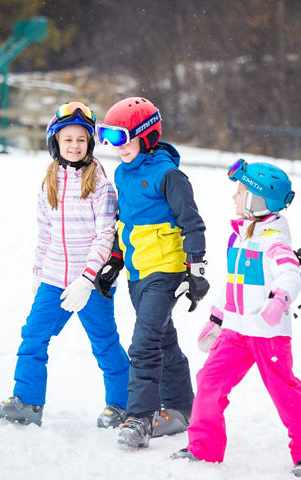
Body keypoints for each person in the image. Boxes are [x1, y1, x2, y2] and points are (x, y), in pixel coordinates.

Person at [171, 160, 301, 478]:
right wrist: (216, 318)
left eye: (240, 192)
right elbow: (233, 284)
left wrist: (279, 301)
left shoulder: (274, 242)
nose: (234, 198)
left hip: (268, 333)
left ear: (258, 200)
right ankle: (204, 448)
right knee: (210, 382)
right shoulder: (241, 237)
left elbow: (290, 274)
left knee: (284, 390)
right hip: (236, 331)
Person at [0, 101, 130, 428]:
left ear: (90, 144)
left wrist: (86, 279)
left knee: (104, 343)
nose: (74, 145)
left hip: (92, 283)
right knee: (33, 337)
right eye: (68, 139)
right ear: (56, 142)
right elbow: (45, 233)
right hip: (53, 278)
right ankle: (27, 401)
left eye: (81, 140)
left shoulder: (100, 183)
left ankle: (121, 405)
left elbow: (105, 235)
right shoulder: (49, 181)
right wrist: (39, 275)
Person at [95, 96, 208, 448]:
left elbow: (193, 224)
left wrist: (196, 270)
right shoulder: (121, 173)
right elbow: (122, 222)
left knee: (143, 344)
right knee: (162, 338)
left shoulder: (169, 175)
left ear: (147, 135)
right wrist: (115, 260)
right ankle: (180, 407)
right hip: (137, 272)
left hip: (167, 271)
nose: (118, 147)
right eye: (110, 139)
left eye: (123, 138)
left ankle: (139, 417)